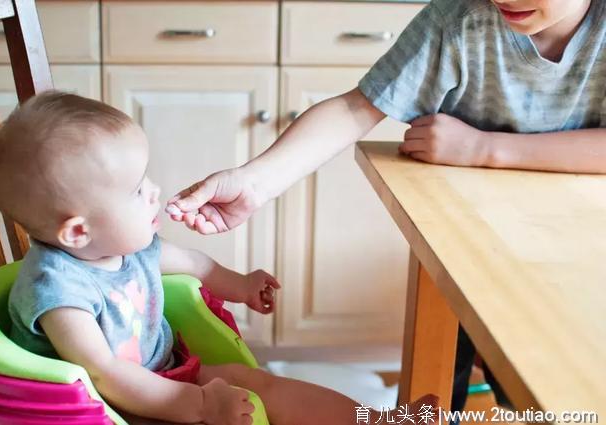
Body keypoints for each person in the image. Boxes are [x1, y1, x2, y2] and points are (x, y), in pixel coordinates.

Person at [165, 0, 606, 414]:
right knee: (440, 379)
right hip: (461, 244)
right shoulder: (458, 20)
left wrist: (483, 148)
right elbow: (357, 108)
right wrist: (255, 183)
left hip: (571, 254)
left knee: (540, 385)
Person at [0, 91, 437, 425]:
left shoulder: (127, 247)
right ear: (78, 231)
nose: (154, 192)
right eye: (135, 190)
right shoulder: (61, 293)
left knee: (262, 384)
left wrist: (241, 285)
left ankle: (382, 421)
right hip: (106, 409)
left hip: (163, 374)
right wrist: (202, 406)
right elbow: (104, 377)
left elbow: (196, 265)